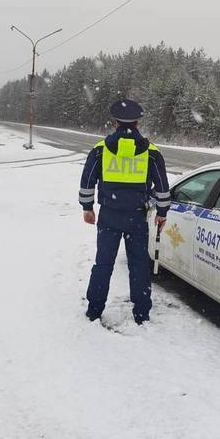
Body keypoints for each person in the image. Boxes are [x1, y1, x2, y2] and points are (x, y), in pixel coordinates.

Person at [79, 99, 170, 325]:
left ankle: (94, 310)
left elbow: (87, 181)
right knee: (139, 265)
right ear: (137, 123)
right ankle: (141, 313)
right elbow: (162, 186)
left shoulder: (100, 150)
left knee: (103, 264)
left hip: (109, 216)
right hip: (136, 218)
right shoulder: (151, 152)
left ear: (115, 122)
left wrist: (87, 208)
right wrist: (162, 212)